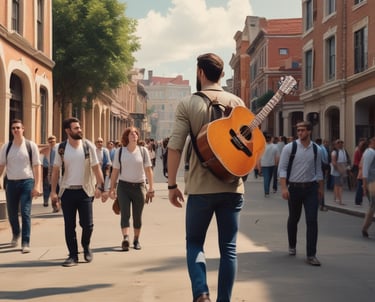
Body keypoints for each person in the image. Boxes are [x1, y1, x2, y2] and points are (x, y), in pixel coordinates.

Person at [167, 53, 245, 302]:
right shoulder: (237, 101)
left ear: (200, 72)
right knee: (229, 250)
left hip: (200, 189)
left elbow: (175, 146)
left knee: (195, 243)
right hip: (232, 187)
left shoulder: (188, 103)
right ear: (222, 74)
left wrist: (171, 185)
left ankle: (201, 292)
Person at [50, 117, 106, 267]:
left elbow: (96, 167)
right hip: (67, 192)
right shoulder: (61, 148)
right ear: (68, 131)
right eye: (76, 128)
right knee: (69, 226)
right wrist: (53, 192)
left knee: (87, 225)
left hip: (85, 191)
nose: (80, 130)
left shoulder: (88, 146)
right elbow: (55, 171)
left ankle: (86, 246)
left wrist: (101, 186)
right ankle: (73, 255)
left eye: (79, 127)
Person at [278, 121, 324, 266]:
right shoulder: (289, 148)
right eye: (298, 130)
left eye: (303, 130)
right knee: (294, 218)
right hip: (295, 189)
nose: (300, 133)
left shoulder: (317, 149)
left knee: (312, 221)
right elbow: (282, 169)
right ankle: (292, 245)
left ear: (309, 131)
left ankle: (311, 255)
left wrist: (320, 189)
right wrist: (284, 188)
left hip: (311, 188)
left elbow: (318, 171)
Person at [109, 127, 154, 252]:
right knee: (125, 214)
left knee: (137, 216)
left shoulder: (143, 151)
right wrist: (111, 188)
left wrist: (151, 187)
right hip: (123, 187)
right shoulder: (120, 151)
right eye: (131, 133)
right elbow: (115, 172)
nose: (134, 135)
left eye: (135, 133)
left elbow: (148, 170)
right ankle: (126, 238)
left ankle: (136, 240)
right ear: (126, 137)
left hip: (139, 186)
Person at [0, 119, 42, 253]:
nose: (16, 130)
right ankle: (16, 233)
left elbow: (36, 165)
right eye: (13, 128)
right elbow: (2, 165)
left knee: (25, 212)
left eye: (18, 128)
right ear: (11, 130)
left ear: (23, 129)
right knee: (12, 213)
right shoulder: (6, 147)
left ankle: (25, 241)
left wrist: (37, 185)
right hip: (11, 183)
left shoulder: (31, 146)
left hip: (27, 182)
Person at [40, 135, 60, 212]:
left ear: (56, 140)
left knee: (59, 187)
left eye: (53, 140)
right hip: (50, 170)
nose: (51, 142)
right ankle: (54, 206)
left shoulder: (59, 148)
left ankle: (59, 203)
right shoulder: (47, 150)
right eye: (50, 141)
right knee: (51, 187)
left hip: (58, 169)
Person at [361, 136, 375, 238]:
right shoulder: (370, 152)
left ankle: (365, 228)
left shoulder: (371, 152)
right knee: (373, 205)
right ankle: (365, 228)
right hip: (372, 182)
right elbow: (365, 169)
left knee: (373, 205)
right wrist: (364, 185)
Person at [331, 139, 351, 205]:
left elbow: (347, 159)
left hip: (343, 168)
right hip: (337, 169)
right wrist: (339, 170)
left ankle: (335, 198)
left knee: (337, 185)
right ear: (336, 144)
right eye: (338, 143)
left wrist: (348, 167)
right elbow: (334, 162)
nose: (340, 144)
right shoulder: (334, 152)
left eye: (341, 143)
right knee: (339, 185)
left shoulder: (344, 151)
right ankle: (339, 200)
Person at [315, 138, 329, 211]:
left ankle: (320, 204)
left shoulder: (318, 149)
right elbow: (326, 160)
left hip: (319, 169)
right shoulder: (323, 149)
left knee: (318, 188)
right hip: (322, 169)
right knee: (320, 187)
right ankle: (321, 204)